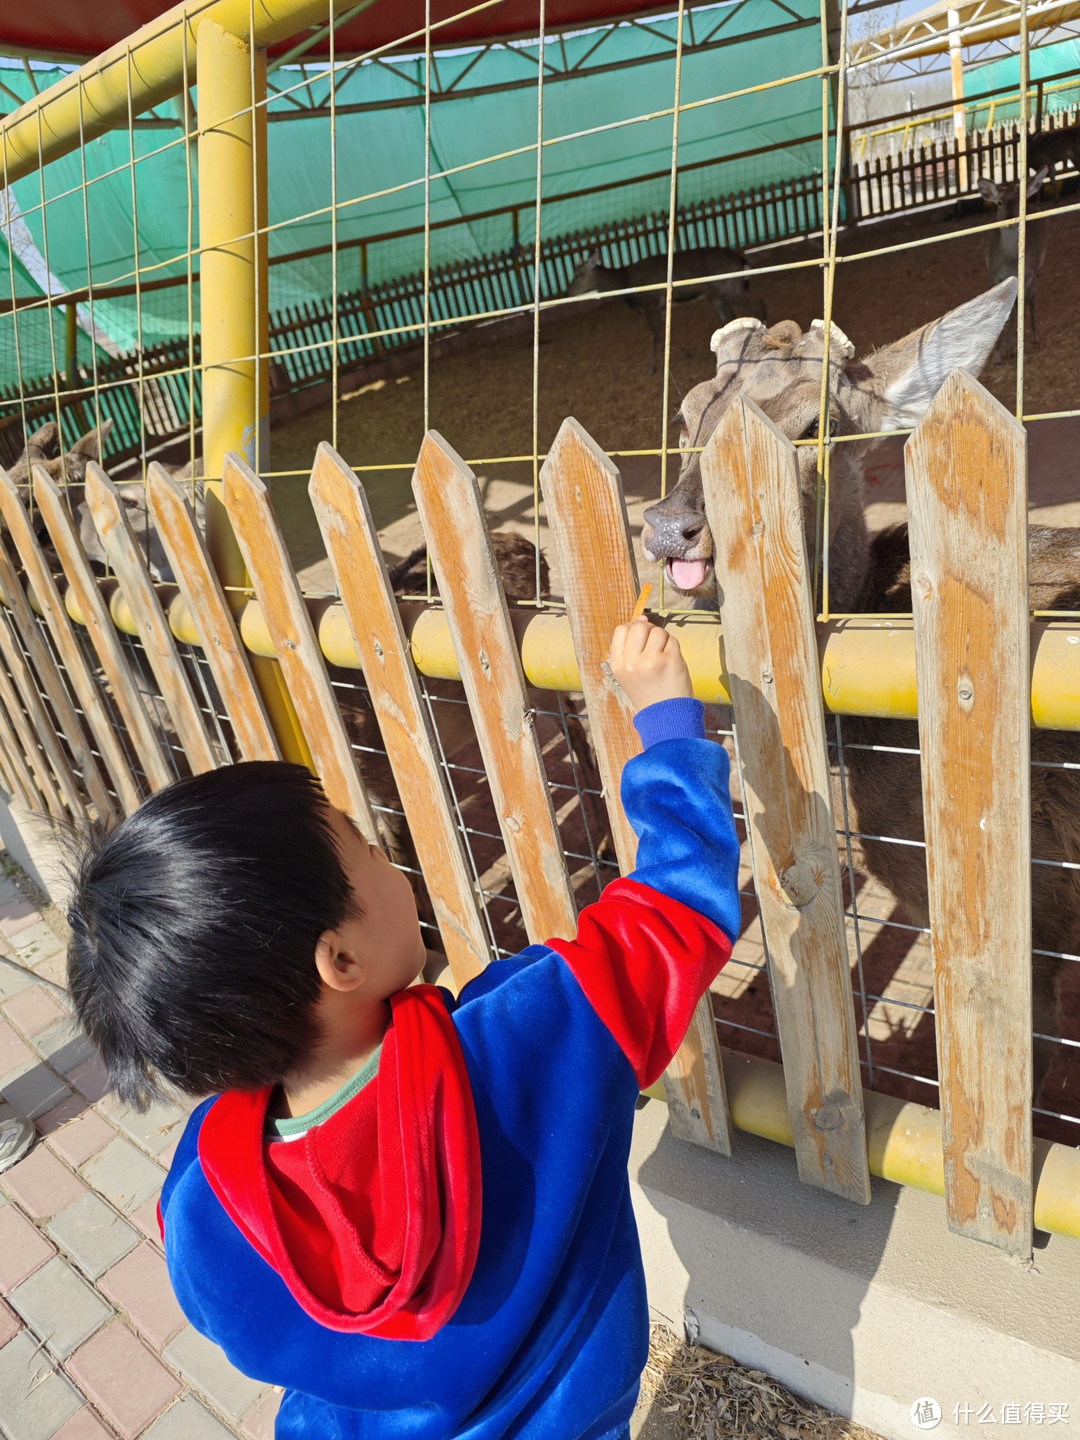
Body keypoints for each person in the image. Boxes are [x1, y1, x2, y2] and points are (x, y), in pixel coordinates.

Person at [65, 616, 742, 1440]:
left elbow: (235, 1331)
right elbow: (677, 911)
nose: (394, 864)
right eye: (369, 854)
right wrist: (666, 719)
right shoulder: (531, 1038)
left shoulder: (204, 1202)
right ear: (339, 962)